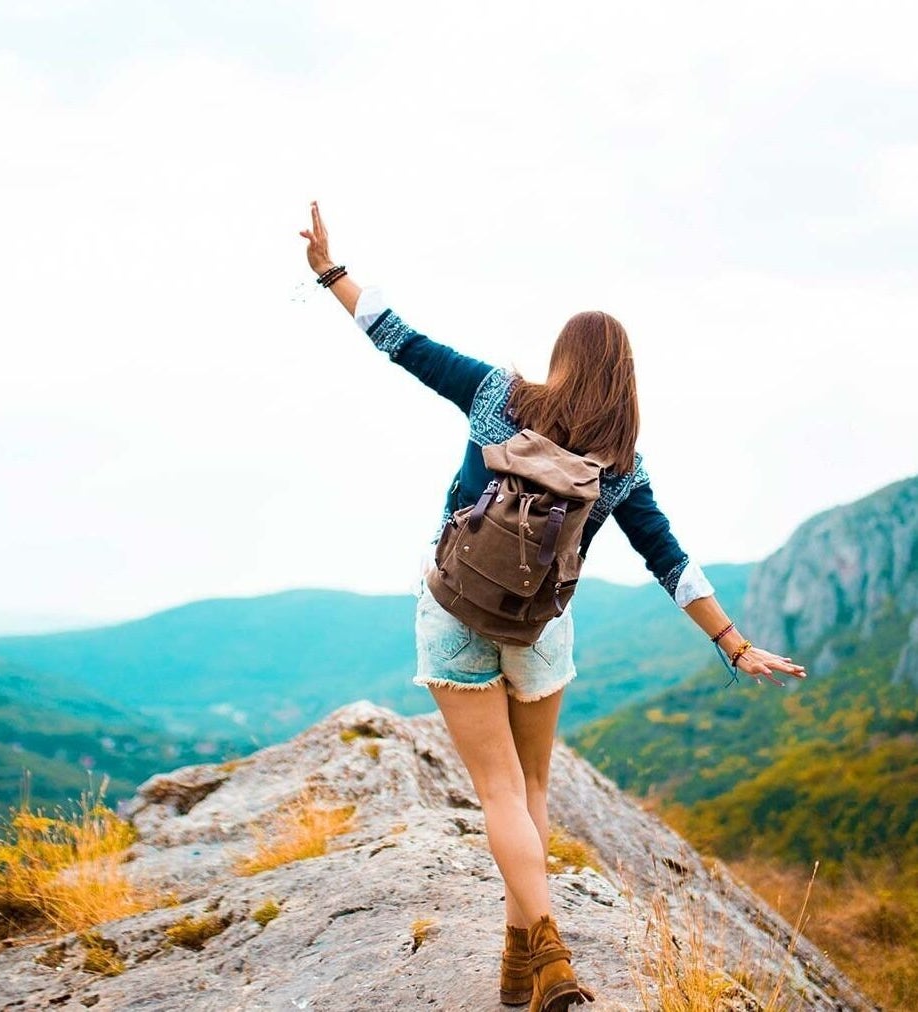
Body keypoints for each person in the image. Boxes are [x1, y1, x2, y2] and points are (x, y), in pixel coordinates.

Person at [298, 201, 806, 1011]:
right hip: (539, 631)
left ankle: (548, 954)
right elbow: (671, 563)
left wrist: (331, 272)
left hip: (455, 611)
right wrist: (735, 644)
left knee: (498, 795)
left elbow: (397, 337)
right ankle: (521, 966)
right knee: (530, 791)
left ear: (562, 360)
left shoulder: (496, 396)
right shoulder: (621, 466)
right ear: (623, 377)